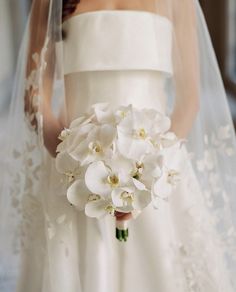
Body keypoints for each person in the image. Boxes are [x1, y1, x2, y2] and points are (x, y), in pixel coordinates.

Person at [1, 0, 236, 291]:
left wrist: (151, 176)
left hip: (155, 169)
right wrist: (76, 168)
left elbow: (189, 100)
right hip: (73, 172)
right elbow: (35, 97)